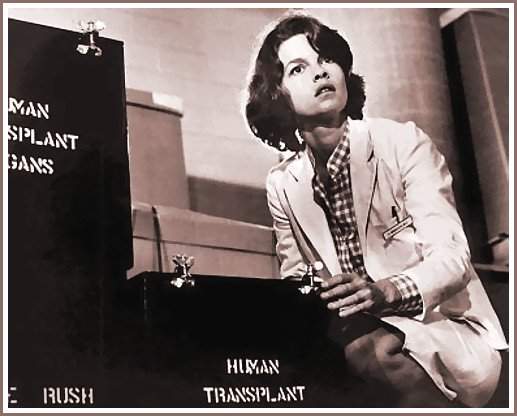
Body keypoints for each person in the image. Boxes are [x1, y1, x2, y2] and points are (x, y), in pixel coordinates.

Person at [244, 13, 507, 407]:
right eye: (299, 68)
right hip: (350, 332)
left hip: (440, 327)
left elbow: (452, 259)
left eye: (326, 59)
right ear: (276, 94)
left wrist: (383, 292)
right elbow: (297, 276)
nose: (320, 72)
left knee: (373, 351)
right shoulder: (282, 183)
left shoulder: (403, 143)